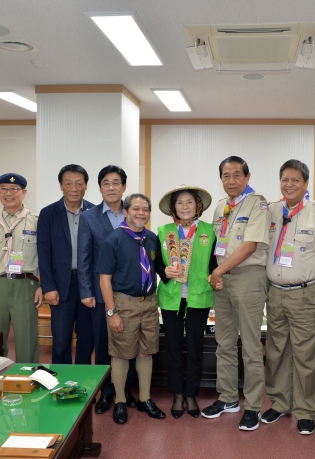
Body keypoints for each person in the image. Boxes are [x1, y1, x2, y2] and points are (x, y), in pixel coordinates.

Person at [262, 160, 315, 435]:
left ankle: (305, 411)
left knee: (306, 356)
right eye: (285, 179)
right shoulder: (270, 211)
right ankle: (280, 403)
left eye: (295, 180)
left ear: (306, 184)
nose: (289, 184)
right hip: (275, 294)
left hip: (307, 294)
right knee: (276, 353)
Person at [202, 155, 270, 431]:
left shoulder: (258, 203)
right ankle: (228, 397)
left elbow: (250, 245)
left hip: (248, 278)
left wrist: (217, 272)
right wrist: (215, 273)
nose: (231, 181)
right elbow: (218, 244)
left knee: (252, 347)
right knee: (224, 342)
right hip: (222, 280)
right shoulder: (221, 206)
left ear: (247, 176)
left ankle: (253, 406)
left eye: (236, 175)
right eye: (225, 176)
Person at [97, 193, 166, 424]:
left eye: (145, 209)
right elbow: (104, 279)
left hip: (148, 303)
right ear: (125, 212)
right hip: (123, 304)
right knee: (121, 354)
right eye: (136, 208)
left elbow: (159, 269)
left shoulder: (152, 238)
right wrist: (111, 312)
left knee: (146, 351)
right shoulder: (114, 239)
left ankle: (145, 399)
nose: (141, 213)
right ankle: (119, 401)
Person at [78, 165, 137, 414]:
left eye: (116, 183)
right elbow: (83, 257)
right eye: (106, 183)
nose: (111, 187)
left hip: (129, 292)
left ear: (124, 186)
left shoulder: (134, 213)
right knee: (102, 345)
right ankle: (106, 392)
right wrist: (86, 291)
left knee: (129, 344)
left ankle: (126, 390)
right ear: (99, 187)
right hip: (101, 294)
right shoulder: (88, 217)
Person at [156, 185, 216, 419]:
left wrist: (215, 276)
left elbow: (213, 261)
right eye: (179, 202)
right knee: (172, 347)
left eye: (189, 202)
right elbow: (156, 264)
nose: (184, 206)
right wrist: (164, 271)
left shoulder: (209, 231)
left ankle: (191, 393)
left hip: (198, 297)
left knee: (194, 348)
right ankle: (177, 394)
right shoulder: (163, 231)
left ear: (197, 205)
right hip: (171, 298)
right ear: (173, 207)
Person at [0, 173, 43, 363]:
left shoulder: (36, 221)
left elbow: (45, 258)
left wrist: (42, 285)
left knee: (26, 337)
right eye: (4, 189)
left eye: (14, 189)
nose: (9, 193)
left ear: (24, 192)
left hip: (26, 285)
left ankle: (27, 379)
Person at [37, 164, 95, 364]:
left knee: (87, 339)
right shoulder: (48, 213)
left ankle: (86, 387)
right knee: (61, 341)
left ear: (85, 186)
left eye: (79, 183)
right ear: (61, 186)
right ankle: (60, 386)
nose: (74, 188)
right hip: (60, 286)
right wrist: (48, 287)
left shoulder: (94, 212)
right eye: (68, 183)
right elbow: (43, 253)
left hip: (88, 284)